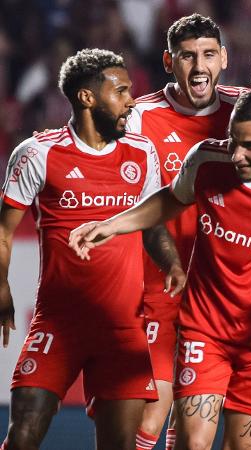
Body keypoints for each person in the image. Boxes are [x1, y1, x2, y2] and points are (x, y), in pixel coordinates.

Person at [69, 89, 251, 450]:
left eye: (250, 146)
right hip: (205, 331)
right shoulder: (206, 160)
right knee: (193, 444)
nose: (236, 154)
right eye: (233, 141)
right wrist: (115, 225)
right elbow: (171, 198)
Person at [0, 48, 163, 450]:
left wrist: (172, 265)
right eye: (121, 90)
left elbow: (153, 225)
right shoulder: (37, 153)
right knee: (23, 433)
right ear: (87, 98)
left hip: (122, 328)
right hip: (58, 322)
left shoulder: (143, 153)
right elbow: (3, 232)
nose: (131, 99)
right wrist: (3, 291)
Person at [125, 13, 247, 450]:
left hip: (221, 289)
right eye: (188, 56)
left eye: (209, 54)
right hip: (158, 282)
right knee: (153, 408)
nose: (199, 66)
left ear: (224, 59)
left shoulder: (245, 114)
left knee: (196, 415)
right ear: (168, 62)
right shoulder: (140, 116)